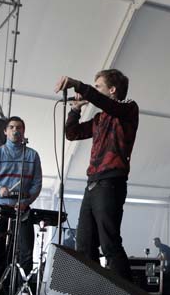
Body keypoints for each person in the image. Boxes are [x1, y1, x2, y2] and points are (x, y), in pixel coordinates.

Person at [54, 69, 139, 281]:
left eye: (98, 86)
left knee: (109, 242)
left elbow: (108, 104)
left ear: (112, 90)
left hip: (111, 181)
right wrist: (74, 110)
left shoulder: (128, 109)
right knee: (84, 244)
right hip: (92, 183)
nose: (94, 90)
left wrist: (79, 85)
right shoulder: (100, 119)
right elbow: (72, 134)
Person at [0, 116, 42, 295]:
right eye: (12, 127)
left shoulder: (32, 155)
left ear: (24, 132)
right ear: (5, 132)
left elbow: (37, 184)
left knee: (26, 252)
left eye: (20, 128)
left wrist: (26, 202)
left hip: (21, 207)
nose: (16, 131)